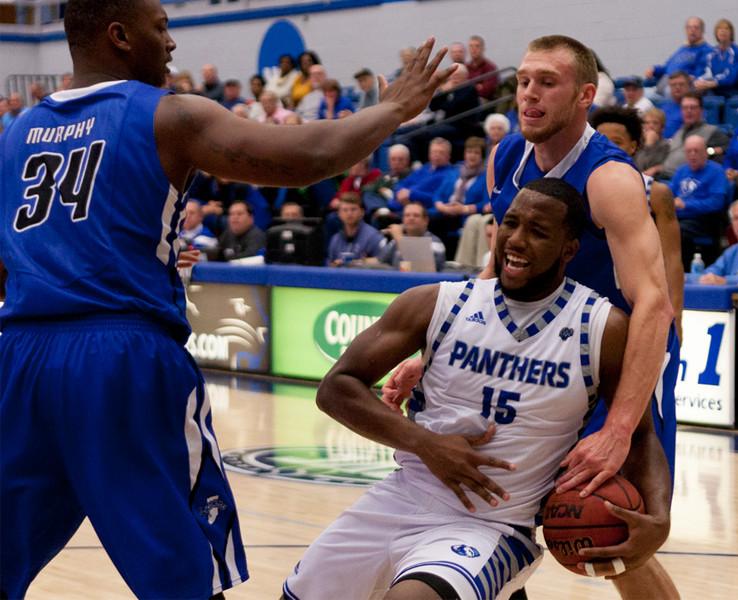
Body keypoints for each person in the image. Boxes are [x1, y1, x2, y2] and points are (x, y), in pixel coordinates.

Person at [0, 0, 454, 595]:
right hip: (122, 358)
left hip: (21, 356)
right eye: (159, 28)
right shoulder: (168, 115)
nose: (171, 44)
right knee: (185, 573)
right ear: (119, 35)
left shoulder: (17, 132)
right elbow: (306, 159)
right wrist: (394, 106)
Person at [284, 179, 675, 600]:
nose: (516, 240)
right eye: (510, 223)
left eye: (538, 231)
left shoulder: (601, 328)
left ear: (569, 250)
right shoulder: (437, 303)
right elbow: (336, 388)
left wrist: (659, 518)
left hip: (495, 525)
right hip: (401, 498)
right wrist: (427, 444)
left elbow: (639, 433)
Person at [388, 35, 677, 531]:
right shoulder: (506, 157)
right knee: (494, 506)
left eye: (547, 82)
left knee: (612, 526)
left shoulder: (609, 179)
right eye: (523, 81)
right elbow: (499, 269)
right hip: (539, 354)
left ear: (586, 96)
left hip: (613, 358)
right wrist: (436, 354)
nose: (529, 93)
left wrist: (620, 427)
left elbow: (654, 304)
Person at [589, 105, 684, 339]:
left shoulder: (656, 193)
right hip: (589, 300)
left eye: (617, 142)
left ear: (633, 146)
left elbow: (671, 258)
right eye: (601, 140)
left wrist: (677, 316)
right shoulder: (579, 187)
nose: (608, 148)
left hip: (637, 301)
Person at [670, 135, 730, 269]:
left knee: (675, 232)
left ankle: (679, 270)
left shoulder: (716, 171)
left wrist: (686, 205)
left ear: (705, 152)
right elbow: (670, 195)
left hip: (703, 221)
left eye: (696, 151)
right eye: (689, 151)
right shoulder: (681, 171)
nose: (692, 155)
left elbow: (716, 203)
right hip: (679, 218)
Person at [659, 91, 731, 179]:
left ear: (701, 110)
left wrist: (709, 151)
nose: (688, 111)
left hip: (687, 179)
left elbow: (726, 149)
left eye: (693, 107)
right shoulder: (679, 131)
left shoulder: (712, 131)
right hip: (664, 175)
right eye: (685, 108)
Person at [645, 17, 712, 94]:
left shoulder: (706, 51)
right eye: (689, 27)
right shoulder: (682, 49)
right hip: (664, 84)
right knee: (640, 91)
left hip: (681, 89)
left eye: (696, 27)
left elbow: (701, 75)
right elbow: (666, 67)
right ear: (686, 30)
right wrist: (654, 69)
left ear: (702, 31)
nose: (692, 30)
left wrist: (689, 78)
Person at [378, 201, 447, 271]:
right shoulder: (396, 241)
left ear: (426, 220)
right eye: (407, 215)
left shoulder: (435, 243)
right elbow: (378, 262)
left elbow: (421, 268)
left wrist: (398, 236)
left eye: (416, 215)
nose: (411, 218)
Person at [694, 18, 738, 98]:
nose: (723, 31)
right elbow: (704, 71)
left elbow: (732, 76)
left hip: (735, 89)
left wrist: (713, 83)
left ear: (731, 33)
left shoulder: (737, 52)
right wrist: (699, 81)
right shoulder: (711, 53)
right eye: (720, 29)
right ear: (716, 33)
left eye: (726, 29)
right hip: (715, 88)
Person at [326, 193, 386, 266]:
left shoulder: (374, 237)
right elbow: (329, 265)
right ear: (339, 214)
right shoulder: (335, 239)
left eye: (353, 209)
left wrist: (358, 263)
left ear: (362, 212)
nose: (349, 213)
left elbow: (383, 262)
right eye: (345, 210)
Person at [635, 107, 670, 175]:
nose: (651, 126)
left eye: (655, 123)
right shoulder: (637, 143)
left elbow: (644, 167)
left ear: (662, 127)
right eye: (647, 123)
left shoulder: (665, 145)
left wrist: (649, 145)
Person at [659, 71, 691, 138]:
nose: (677, 87)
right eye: (673, 85)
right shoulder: (663, 108)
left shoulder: (694, 108)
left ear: (689, 86)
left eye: (681, 84)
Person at [466, 34, 499, 100]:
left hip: (484, 102)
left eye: (477, 46)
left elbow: (486, 91)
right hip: (466, 100)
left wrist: (469, 88)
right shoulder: (466, 67)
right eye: (471, 46)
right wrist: (477, 87)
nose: (474, 49)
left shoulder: (490, 68)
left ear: (483, 49)